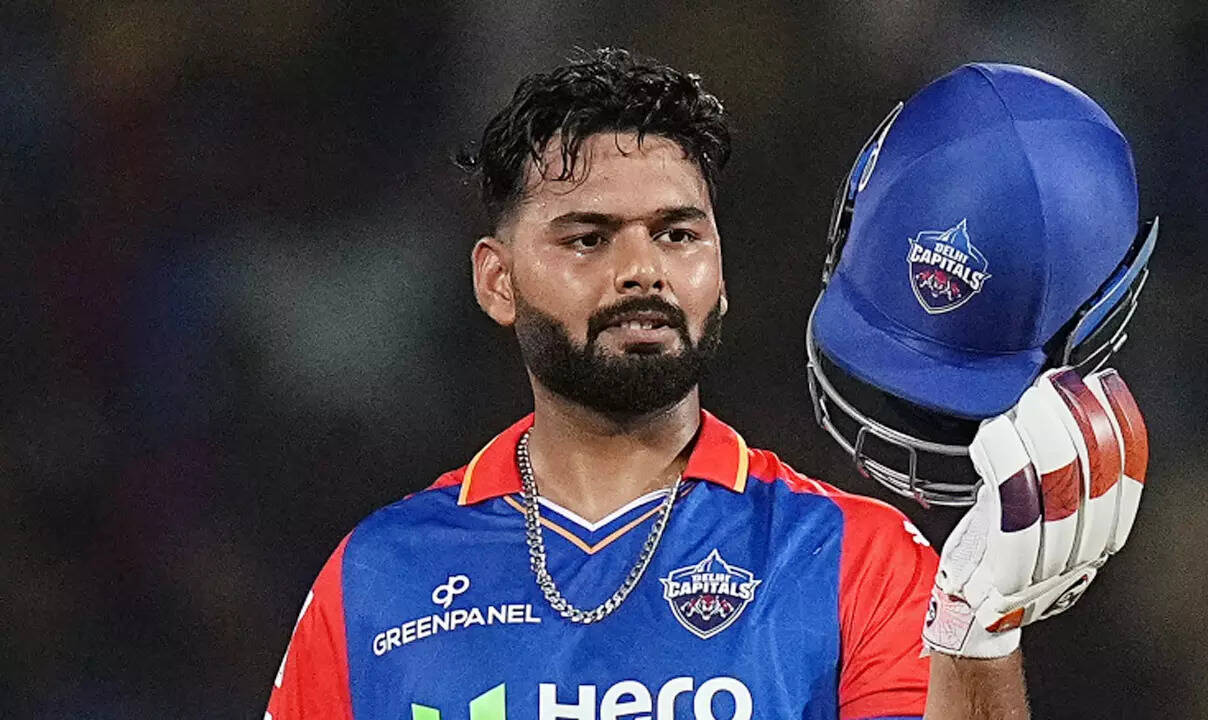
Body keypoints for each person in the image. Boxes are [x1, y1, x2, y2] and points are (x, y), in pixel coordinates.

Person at [265, 50, 1149, 720]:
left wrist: (977, 638)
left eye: (678, 234)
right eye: (588, 239)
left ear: (720, 274)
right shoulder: (377, 575)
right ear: (498, 281)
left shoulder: (857, 559)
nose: (642, 270)